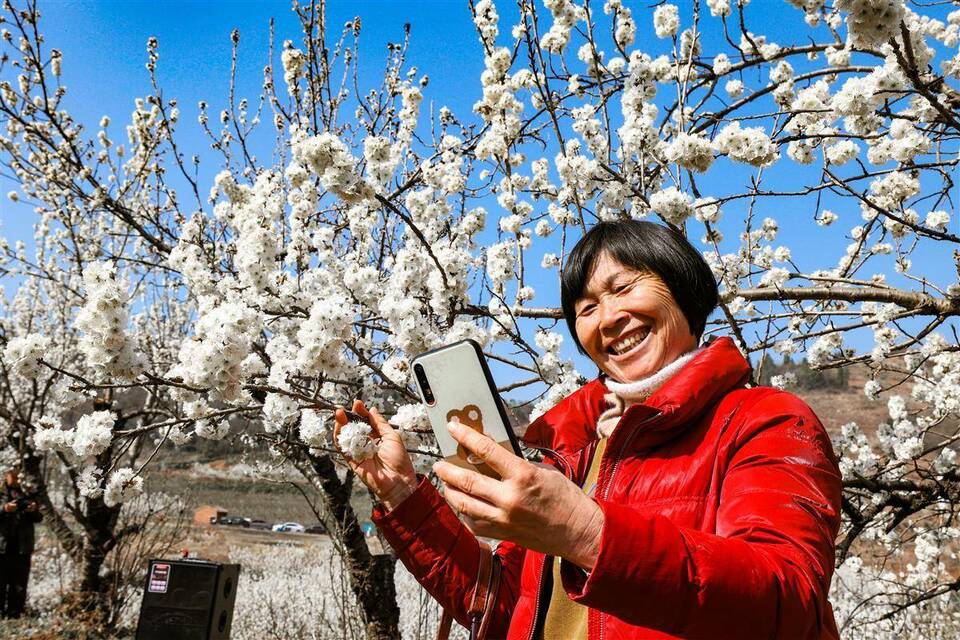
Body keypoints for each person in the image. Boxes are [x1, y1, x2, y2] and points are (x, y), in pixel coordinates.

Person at [334, 220, 842, 639]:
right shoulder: (572, 450)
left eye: (623, 288)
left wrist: (585, 533)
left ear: (685, 289)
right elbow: (501, 605)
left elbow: (789, 601)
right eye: (587, 308)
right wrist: (404, 497)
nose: (610, 318)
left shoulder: (764, 420)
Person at [1, 466, 41, 619]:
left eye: (18, 474)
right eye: (13, 474)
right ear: (6, 474)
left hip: (22, 548)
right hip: (2, 548)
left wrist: (33, 510)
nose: (16, 477)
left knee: (19, 585)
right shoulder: (1, 493)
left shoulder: (28, 493)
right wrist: (4, 509)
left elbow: (39, 518)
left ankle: (15, 615)